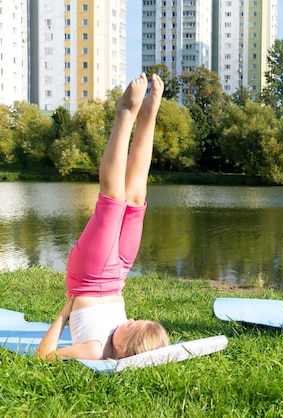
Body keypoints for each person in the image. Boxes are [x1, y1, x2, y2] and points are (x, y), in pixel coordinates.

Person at [36, 73, 170, 361]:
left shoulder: (95, 349)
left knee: (113, 200)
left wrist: (64, 314)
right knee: (135, 200)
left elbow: (44, 356)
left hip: (89, 275)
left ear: (120, 349)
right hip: (118, 274)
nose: (130, 320)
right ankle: (148, 116)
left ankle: (125, 112)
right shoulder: (123, 340)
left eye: (132, 326)